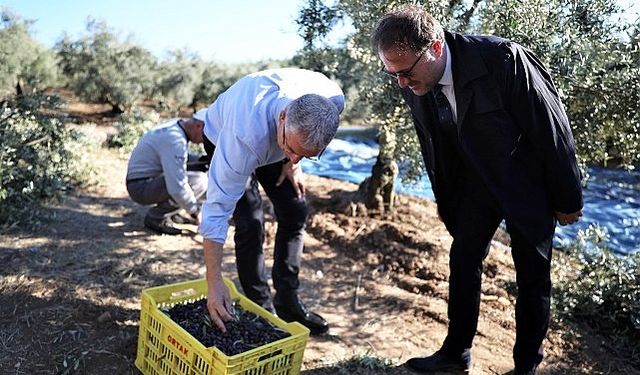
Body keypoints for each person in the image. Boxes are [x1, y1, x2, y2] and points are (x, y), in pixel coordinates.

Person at [372, 5, 583, 375]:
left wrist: (568, 198)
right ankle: (456, 354)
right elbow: (433, 144)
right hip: (474, 185)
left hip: (526, 184)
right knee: (462, 260)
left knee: (533, 276)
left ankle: (525, 368)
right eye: (392, 74)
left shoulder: (503, 59)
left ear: (435, 47)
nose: (401, 84)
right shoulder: (412, 80)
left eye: (405, 72)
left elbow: (553, 129)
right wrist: (444, 198)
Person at [198, 68, 344, 335]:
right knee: (250, 223)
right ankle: (262, 308)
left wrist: (292, 161)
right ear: (282, 116)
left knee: (295, 210)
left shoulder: (333, 99)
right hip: (223, 134)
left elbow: (300, 141)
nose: (295, 156)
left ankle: (288, 301)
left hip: (279, 135)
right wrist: (214, 281)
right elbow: (216, 211)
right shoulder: (242, 139)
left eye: (305, 155)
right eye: (291, 149)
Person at [126, 111, 207, 235]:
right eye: (206, 136)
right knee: (199, 181)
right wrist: (195, 211)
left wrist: (202, 162)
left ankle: (172, 213)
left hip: (143, 180)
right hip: (140, 186)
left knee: (195, 175)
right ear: (199, 126)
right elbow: (177, 186)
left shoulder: (176, 125)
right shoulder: (175, 140)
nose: (204, 142)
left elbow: (179, 159)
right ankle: (157, 217)